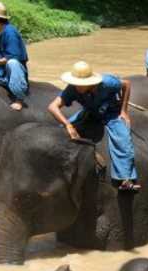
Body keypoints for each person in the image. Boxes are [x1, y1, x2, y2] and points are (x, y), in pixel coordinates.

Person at [48, 61, 140, 191]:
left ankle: (125, 178)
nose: (78, 87)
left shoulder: (108, 82)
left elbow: (126, 84)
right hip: (90, 112)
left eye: (81, 84)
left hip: (110, 112)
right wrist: (68, 125)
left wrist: (123, 111)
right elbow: (53, 107)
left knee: (122, 138)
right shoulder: (72, 88)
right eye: (76, 83)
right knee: (61, 131)